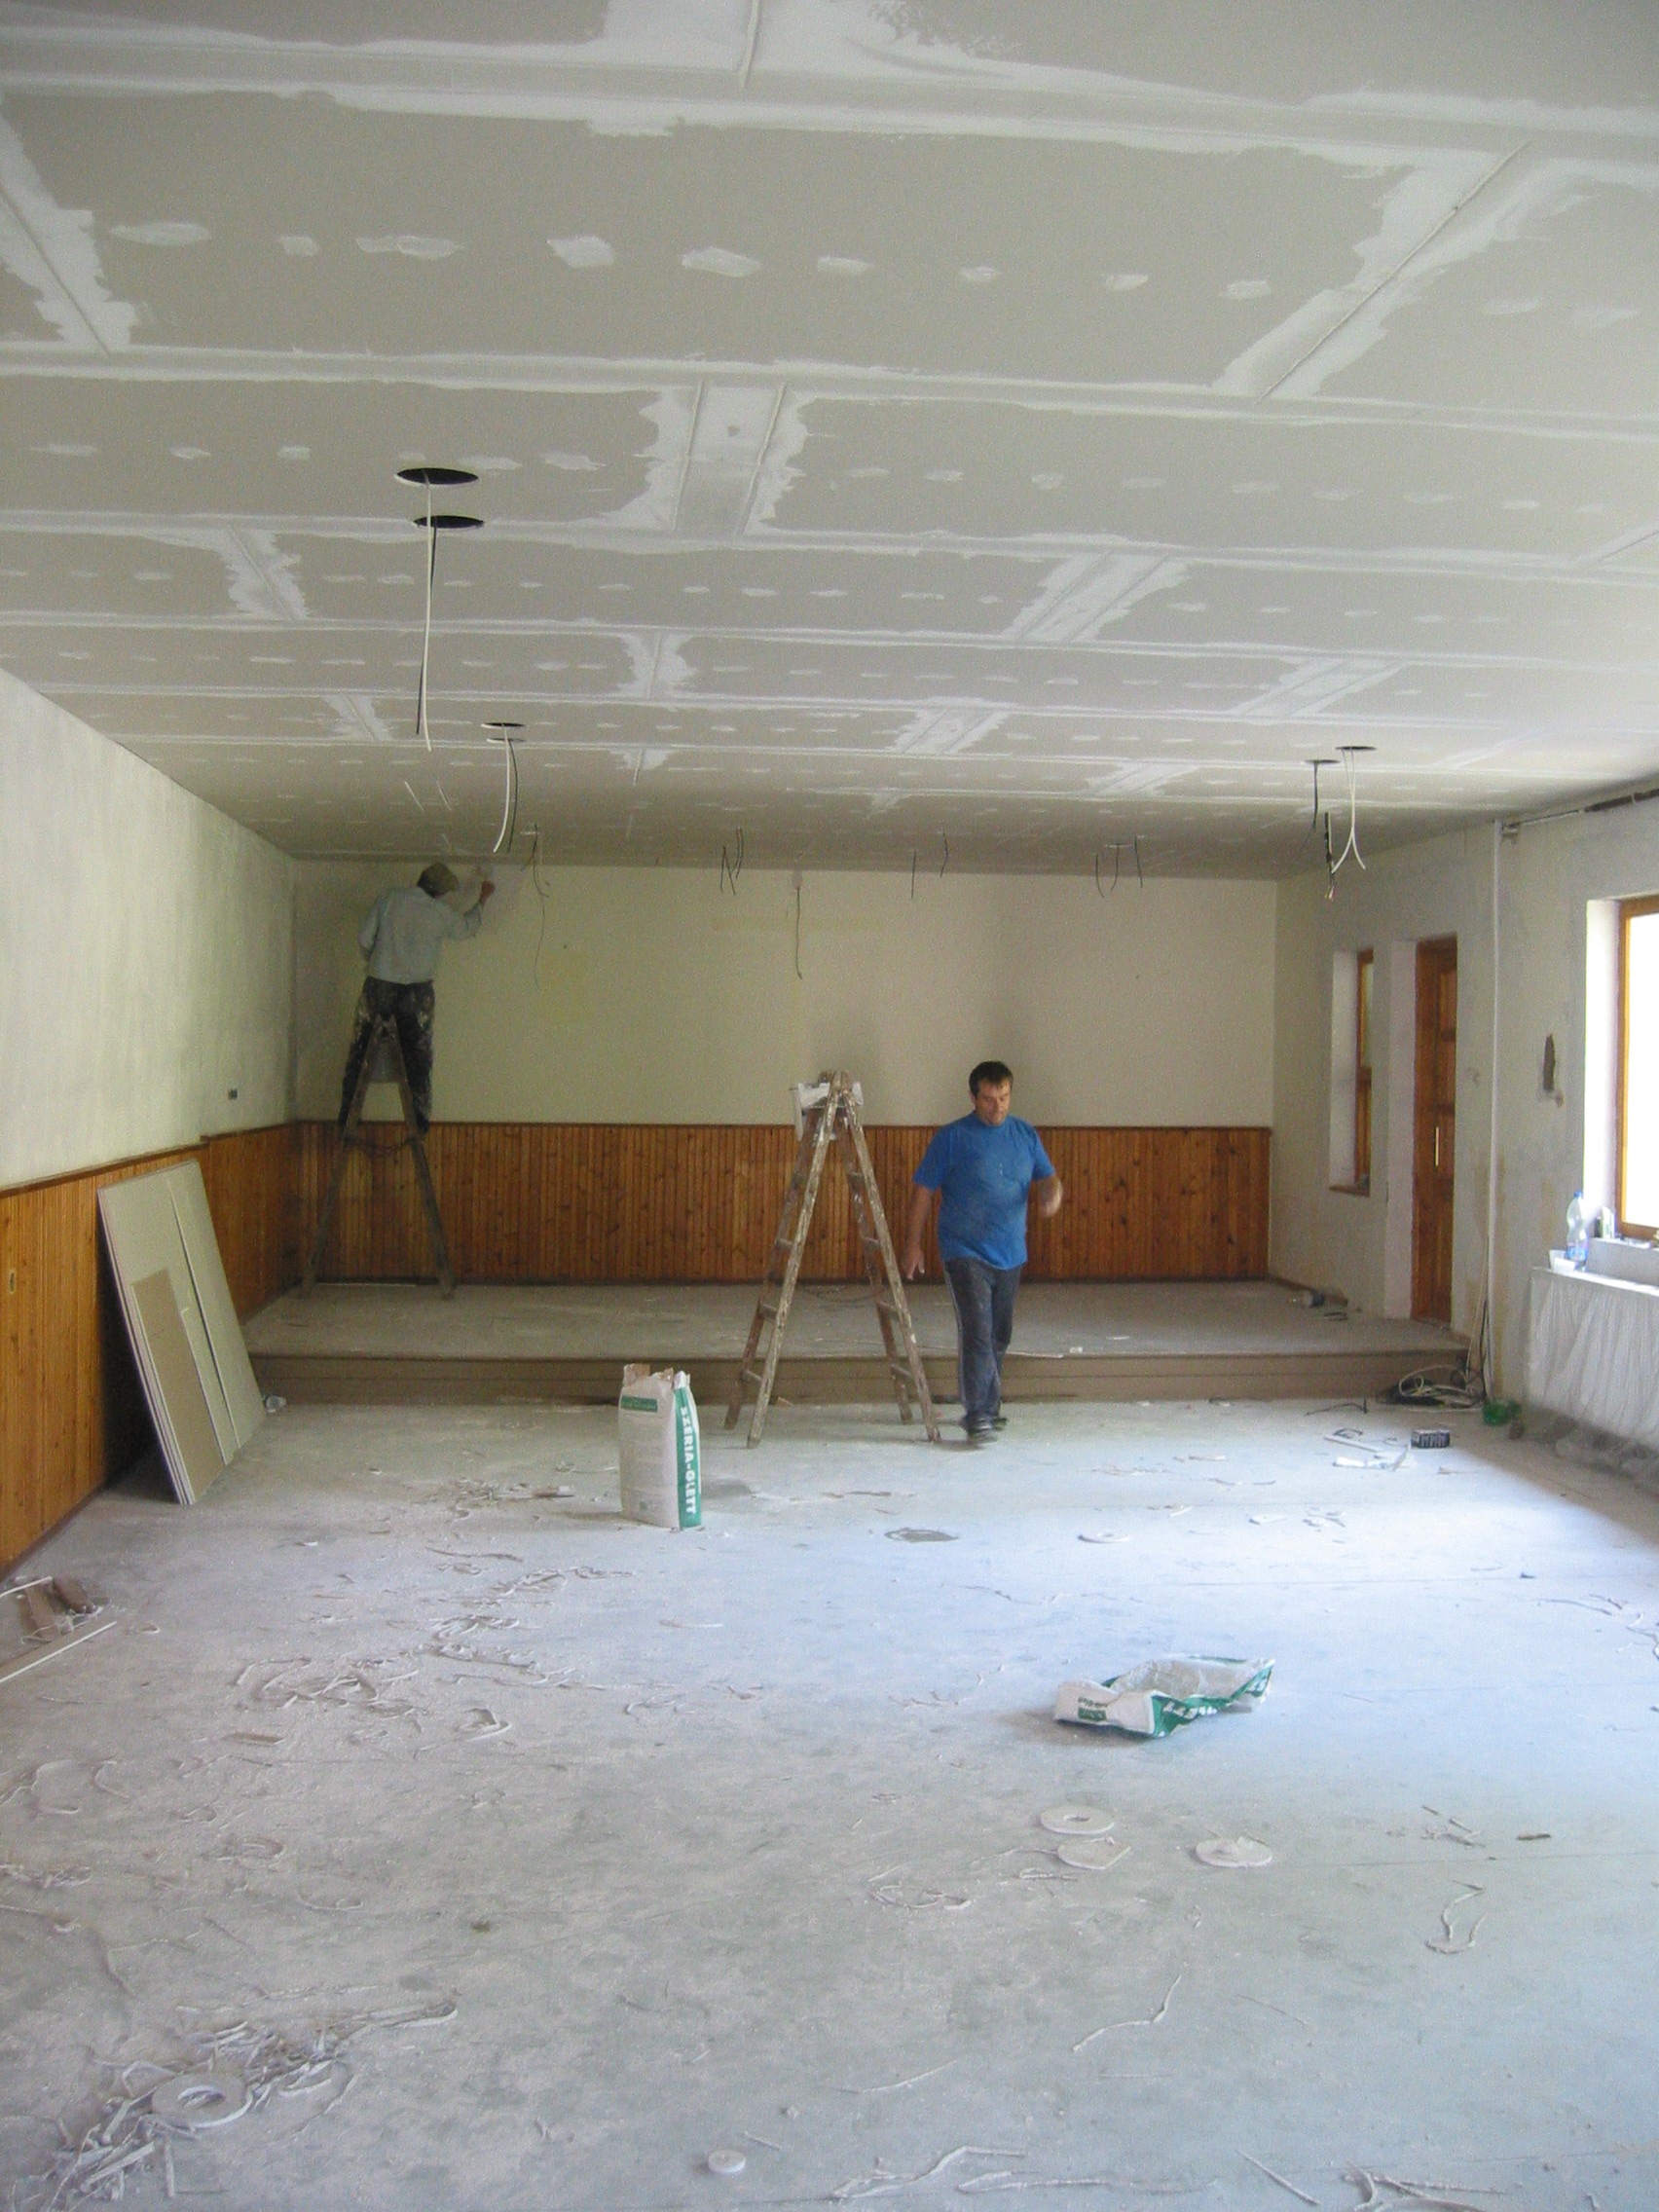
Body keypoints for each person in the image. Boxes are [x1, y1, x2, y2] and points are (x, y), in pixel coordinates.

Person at [902, 1060, 1063, 1443]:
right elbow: (923, 1189)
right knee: (977, 1329)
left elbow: (1048, 1177)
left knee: (999, 1334)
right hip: (964, 1250)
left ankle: (990, 1407)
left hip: (1011, 1251)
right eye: (989, 1099)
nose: (997, 1107)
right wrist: (912, 1243)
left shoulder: (1024, 1135)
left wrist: (1051, 1195)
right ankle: (977, 1414)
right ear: (973, 1098)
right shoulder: (952, 1138)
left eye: (1004, 1097)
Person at [338, 864, 494, 1135]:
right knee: (417, 1055)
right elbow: (467, 928)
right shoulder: (438, 912)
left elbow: (364, 937)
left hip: (379, 986)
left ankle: (347, 1116)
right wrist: (482, 899)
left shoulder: (389, 899)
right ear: (439, 892)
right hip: (416, 993)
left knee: (361, 1048)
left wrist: (376, 963)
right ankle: (419, 1121)